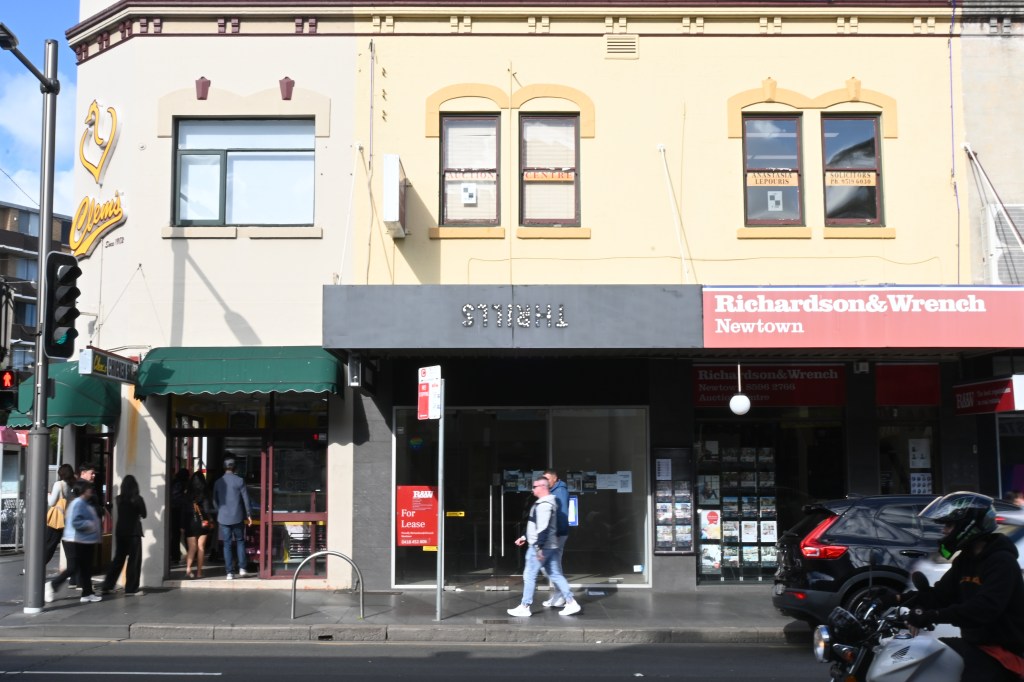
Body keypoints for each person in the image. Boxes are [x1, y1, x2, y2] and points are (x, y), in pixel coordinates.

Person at [877, 492, 1024, 681]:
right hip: (974, 646)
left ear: (968, 526)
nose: (944, 531)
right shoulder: (965, 560)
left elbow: (984, 609)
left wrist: (932, 616)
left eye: (949, 525)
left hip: (1003, 654)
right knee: (923, 657)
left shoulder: (1002, 562)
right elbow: (940, 595)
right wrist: (895, 599)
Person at [506, 476, 580, 617]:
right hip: (548, 546)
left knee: (529, 575)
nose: (532, 489)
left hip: (541, 548)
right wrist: (525, 537)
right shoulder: (545, 503)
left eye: (534, 486)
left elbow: (543, 529)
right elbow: (537, 526)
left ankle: (525, 606)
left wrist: (538, 548)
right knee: (556, 574)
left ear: (542, 487)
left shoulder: (544, 505)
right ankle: (571, 603)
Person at [45, 480, 102, 604]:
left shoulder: (83, 503)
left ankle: (87, 593)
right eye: (88, 489)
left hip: (83, 540)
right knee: (74, 567)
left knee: (85, 567)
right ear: (83, 491)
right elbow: (76, 522)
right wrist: (90, 524)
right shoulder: (78, 503)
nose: (90, 491)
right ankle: (52, 585)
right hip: (75, 540)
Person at [99, 475, 147, 595]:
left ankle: (107, 585)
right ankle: (131, 588)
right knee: (134, 561)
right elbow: (144, 514)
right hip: (134, 533)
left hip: (120, 532)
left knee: (118, 560)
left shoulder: (118, 499)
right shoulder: (138, 499)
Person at [213, 458, 252, 580]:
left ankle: (229, 572)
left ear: (224, 468)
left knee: (227, 544)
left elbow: (214, 500)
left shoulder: (218, 482)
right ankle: (242, 568)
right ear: (235, 468)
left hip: (223, 518)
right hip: (238, 516)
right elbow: (246, 499)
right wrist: (249, 515)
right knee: (240, 541)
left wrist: (219, 511)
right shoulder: (240, 480)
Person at [540, 469, 571, 608]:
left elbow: (562, 514)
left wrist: (559, 533)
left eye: (548, 479)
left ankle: (564, 597)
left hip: (558, 534)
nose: (545, 482)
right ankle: (560, 596)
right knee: (551, 566)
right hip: (555, 534)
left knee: (551, 566)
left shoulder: (560, 491)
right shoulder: (553, 491)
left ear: (555, 478)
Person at [44, 464, 76, 566]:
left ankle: (36, 567)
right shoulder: (73, 485)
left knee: (49, 546)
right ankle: (72, 571)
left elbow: (51, 502)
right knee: (69, 549)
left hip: (57, 521)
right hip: (68, 520)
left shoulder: (59, 484)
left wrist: (48, 495)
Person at [182, 471, 213, 579]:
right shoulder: (205, 494)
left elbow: (183, 511)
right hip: (202, 522)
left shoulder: (187, 494)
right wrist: (211, 519)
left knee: (192, 548)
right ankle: (199, 573)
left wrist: (182, 525)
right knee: (201, 547)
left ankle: (188, 569)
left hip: (190, 522)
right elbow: (208, 510)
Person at [169, 469, 189, 564]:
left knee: (175, 534)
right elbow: (177, 498)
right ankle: (176, 555)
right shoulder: (179, 484)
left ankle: (175, 555)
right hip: (179, 511)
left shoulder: (174, 483)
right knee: (179, 534)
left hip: (174, 511)